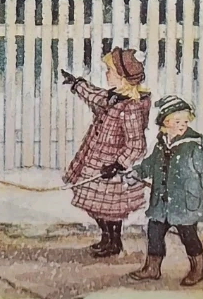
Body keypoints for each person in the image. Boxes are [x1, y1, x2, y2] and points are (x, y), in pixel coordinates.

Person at [61, 46, 151, 258]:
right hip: (96, 163)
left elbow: (137, 144)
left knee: (111, 209)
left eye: (110, 70)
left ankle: (114, 242)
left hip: (112, 168)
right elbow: (95, 96)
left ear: (122, 77)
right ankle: (106, 237)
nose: (106, 74)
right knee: (94, 204)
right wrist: (77, 84)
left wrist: (119, 164)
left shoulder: (130, 107)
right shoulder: (113, 97)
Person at [126, 95, 203, 286]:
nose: (182, 125)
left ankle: (198, 269)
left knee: (189, 236)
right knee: (154, 232)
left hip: (185, 204)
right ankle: (152, 268)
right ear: (165, 123)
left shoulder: (192, 147)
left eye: (185, 121)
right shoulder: (161, 145)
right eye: (177, 121)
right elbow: (150, 164)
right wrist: (137, 173)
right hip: (161, 204)